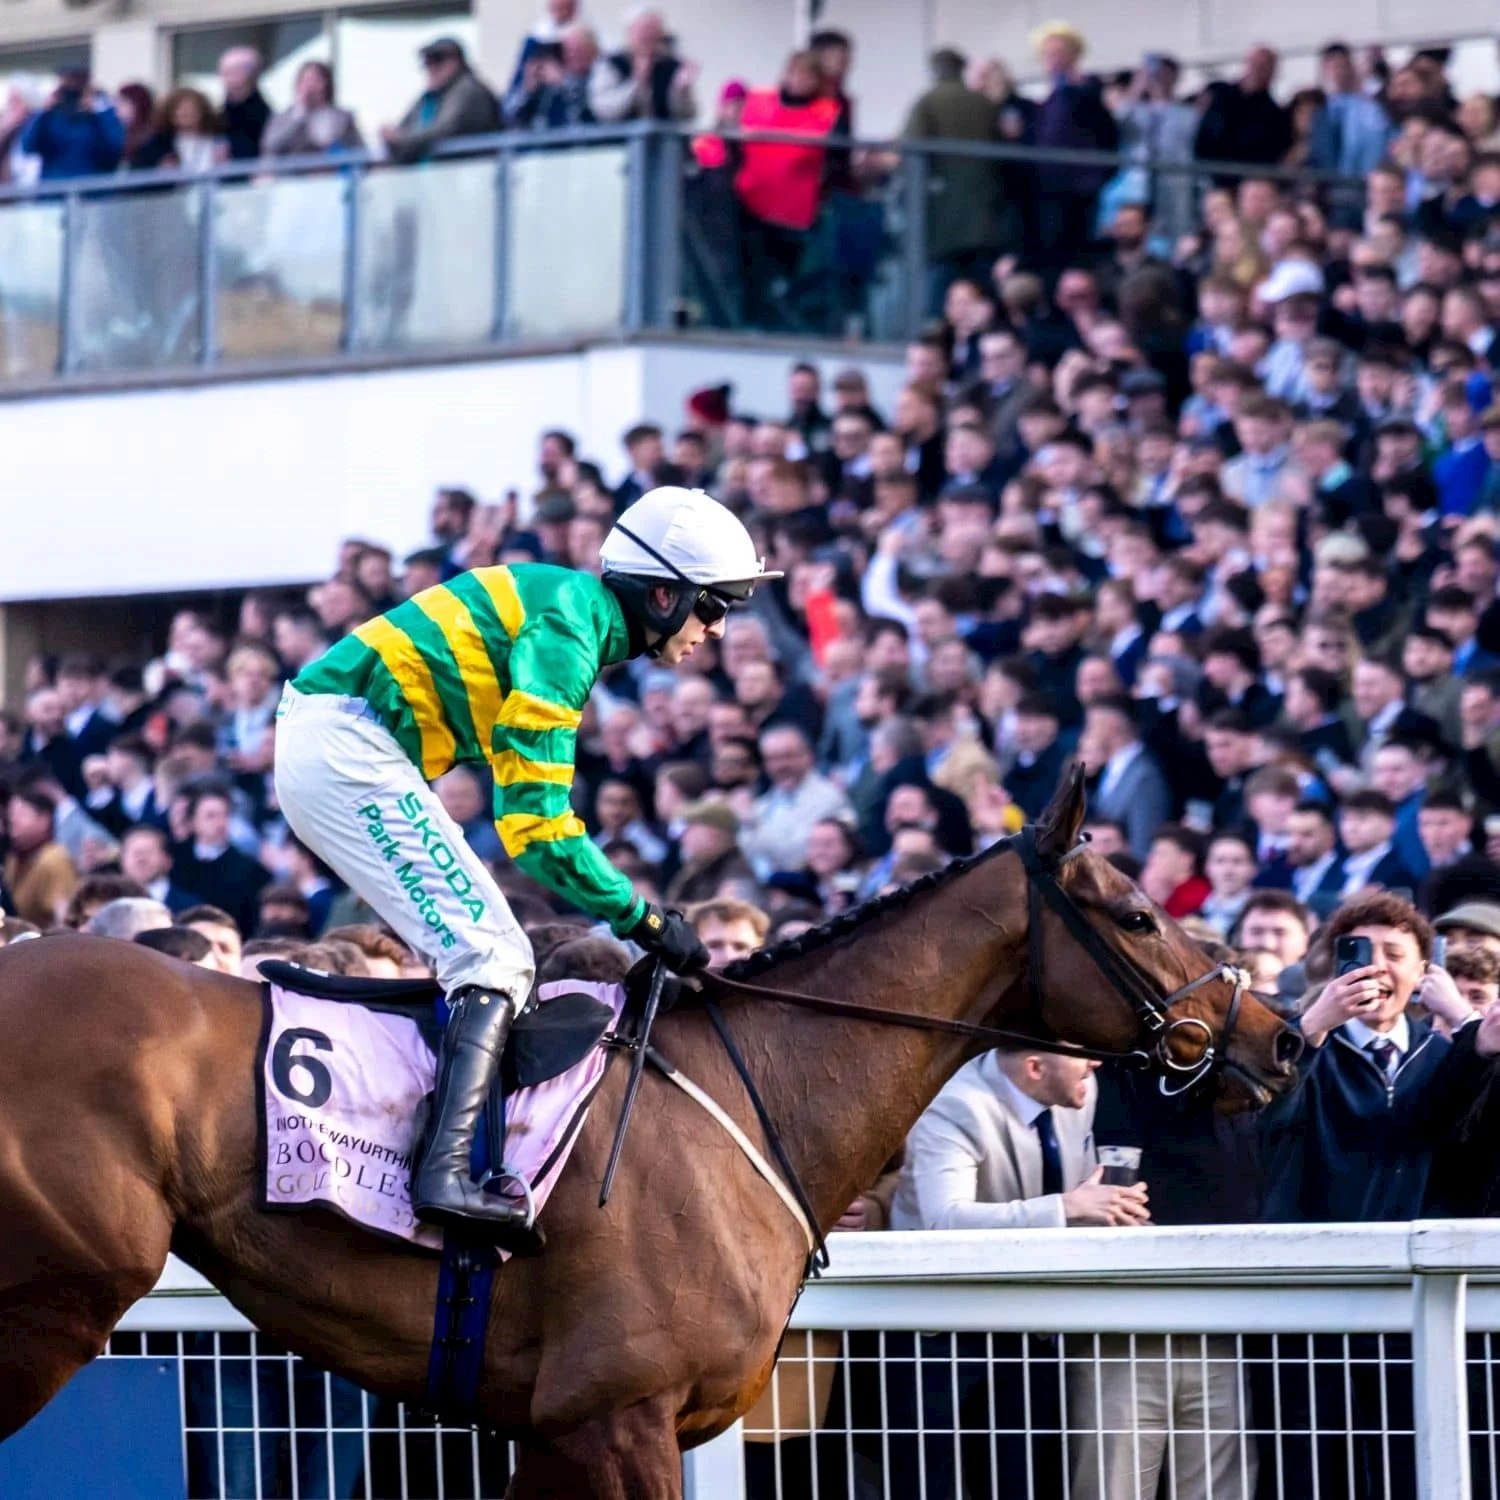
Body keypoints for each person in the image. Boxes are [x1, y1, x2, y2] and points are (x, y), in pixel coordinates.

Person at [274, 486, 780, 1240]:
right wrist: (641, 918)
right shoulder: (569, 631)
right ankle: (442, 1174)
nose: (717, 628)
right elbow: (535, 830)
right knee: (493, 953)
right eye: (713, 607)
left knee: (483, 950)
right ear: (665, 594)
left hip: (342, 742)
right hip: (348, 745)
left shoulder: (574, 609)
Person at [381, 38, 500, 165]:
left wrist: (401, 139)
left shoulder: (468, 89)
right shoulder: (430, 97)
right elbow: (404, 128)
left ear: (456, 61)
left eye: (438, 59)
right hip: (436, 177)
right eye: (427, 63)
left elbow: (446, 128)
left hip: (469, 174)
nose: (431, 68)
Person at [21, 68, 124, 181]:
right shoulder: (50, 117)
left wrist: (97, 110)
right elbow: (28, 146)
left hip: (93, 190)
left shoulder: (102, 112)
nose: (73, 89)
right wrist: (44, 110)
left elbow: (116, 147)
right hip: (55, 192)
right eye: (67, 84)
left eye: (78, 84)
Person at [262, 61, 364, 157]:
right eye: (305, 80)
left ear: (326, 85)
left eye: (315, 80)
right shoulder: (283, 117)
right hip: (289, 174)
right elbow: (270, 145)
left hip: (327, 173)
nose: (309, 86)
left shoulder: (342, 118)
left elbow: (325, 139)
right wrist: (296, 117)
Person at [218, 47, 271, 161]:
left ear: (252, 76)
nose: (227, 79)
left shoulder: (264, 115)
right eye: (225, 73)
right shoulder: (219, 116)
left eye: (233, 72)